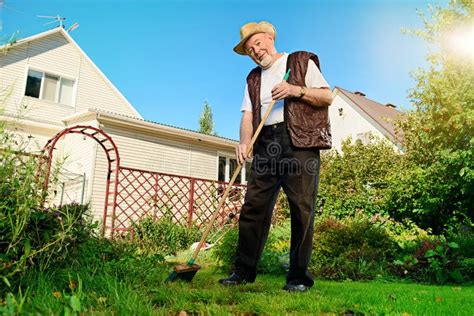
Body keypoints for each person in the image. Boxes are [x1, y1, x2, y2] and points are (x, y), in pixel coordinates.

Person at [218, 21, 333, 292]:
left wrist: (295, 91)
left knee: (301, 209)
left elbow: (327, 97)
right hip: (266, 142)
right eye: (249, 49)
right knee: (253, 207)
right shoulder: (253, 78)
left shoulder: (300, 61)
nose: (255, 51)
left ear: (270, 38)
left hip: (299, 142)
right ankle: (243, 272)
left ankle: (297, 278)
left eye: (258, 43)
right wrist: (245, 140)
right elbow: (247, 114)